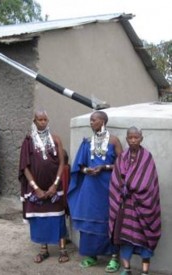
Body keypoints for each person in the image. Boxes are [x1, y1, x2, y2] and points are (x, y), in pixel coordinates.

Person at [67, 110, 122, 272]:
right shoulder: (87, 142)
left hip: (108, 188)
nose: (91, 123)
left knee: (110, 220)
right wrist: (86, 171)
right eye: (90, 120)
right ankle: (91, 255)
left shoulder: (114, 141)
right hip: (90, 188)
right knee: (88, 219)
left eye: (94, 120)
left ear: (103, 122)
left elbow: (122, 165)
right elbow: (80, 166)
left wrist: (104, 167)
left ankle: (114, 258)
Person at [109, 127, 161, 275]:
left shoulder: (147, 158)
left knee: (144, 239)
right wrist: (123, 190)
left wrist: (130, 186)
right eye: (130, 138)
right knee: (124, 239)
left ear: (141, 139)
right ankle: (127, 269)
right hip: (124, 206)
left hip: (142, 208)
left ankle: (145, 272)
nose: (133, 140)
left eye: (136, 137)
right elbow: (116, 179)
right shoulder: (122, 157)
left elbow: (148, 182)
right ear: (126, 139)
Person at [19, 110, 69, 264]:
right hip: (36, 188)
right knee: (40, 219)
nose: (42, 122)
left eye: (45, 119)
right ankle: (44, 250)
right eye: (39, 120)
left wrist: (55, 185)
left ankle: (62, 249)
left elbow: (62, 163)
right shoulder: (28, 141)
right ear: (34, 121)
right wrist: (36, 188)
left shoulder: (56, 139)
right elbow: (25, 167)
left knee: (57, 218)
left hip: (54, 187)